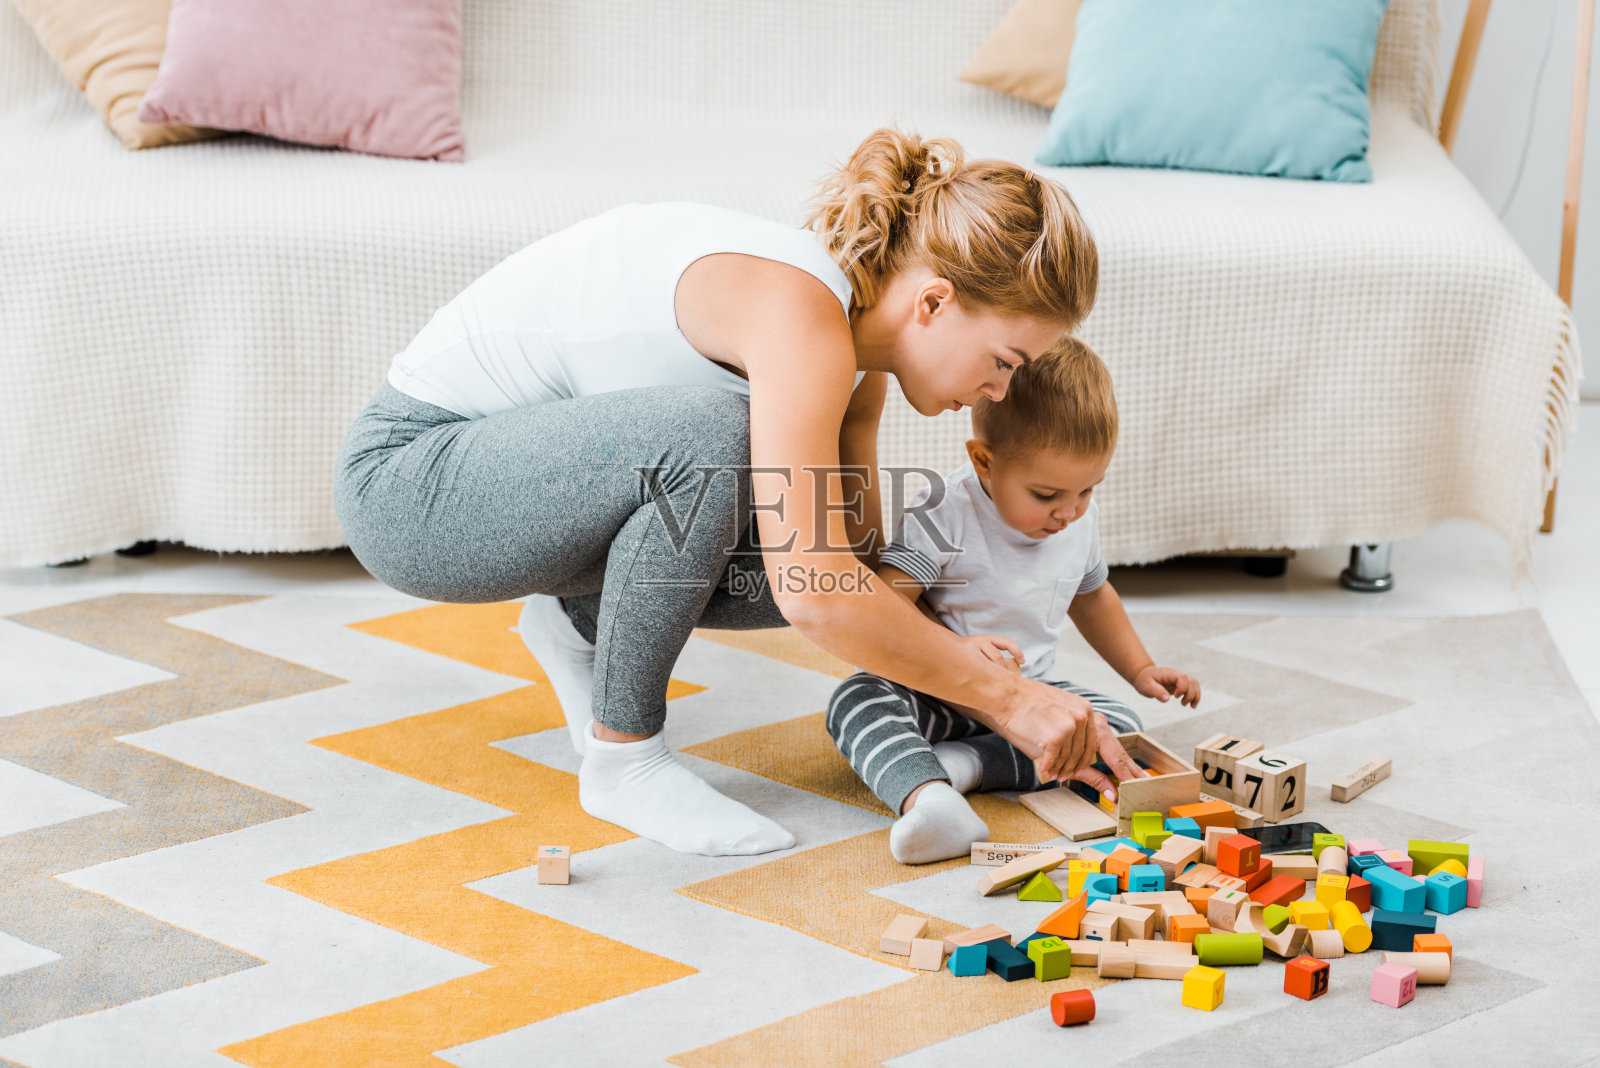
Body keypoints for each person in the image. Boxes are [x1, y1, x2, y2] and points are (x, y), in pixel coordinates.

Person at [332, 126, 1146, 858]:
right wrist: (1009, 700)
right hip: (410, 487)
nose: (1001, 392)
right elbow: (816, 599)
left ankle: (576, 620)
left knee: (822, 540)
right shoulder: (801, 313)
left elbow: (846, 568)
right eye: (1004, 361)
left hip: (515, 492)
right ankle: (624, 760)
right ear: (933, 302)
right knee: (721, 442)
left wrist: (940, 642)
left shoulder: (852, 345)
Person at [824, 339, 1202, 864]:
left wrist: (1141, 668)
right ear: (984, 461)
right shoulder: (945, 510)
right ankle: (928, 799)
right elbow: (886, 603)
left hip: (1034, 692)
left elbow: (1093, 598)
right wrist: (959, 650)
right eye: (1046, 495)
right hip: (937, 691)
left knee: (1120, 725)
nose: (1068, 513)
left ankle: (962, 768)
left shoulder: (1077, 520)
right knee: (857, 700)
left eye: (1087, 490)